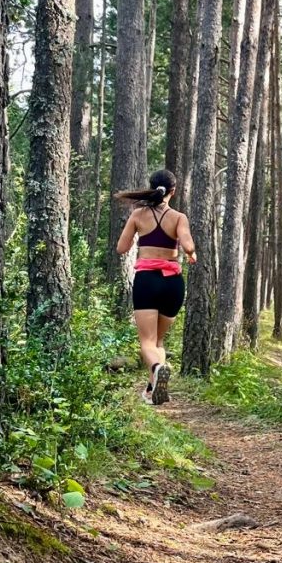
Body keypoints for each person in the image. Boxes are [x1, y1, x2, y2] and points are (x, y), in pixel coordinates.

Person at [114, 169, 196, 405]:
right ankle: (153, 389)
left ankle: (159, 367)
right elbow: (188, 244)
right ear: (174, 191)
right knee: (158, 342)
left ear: (151, 187)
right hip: (173, 283)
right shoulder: (179, 217)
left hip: (148, 281)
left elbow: (121, 248)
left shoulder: (138, 215)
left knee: (147, 343)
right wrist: (190, 252)